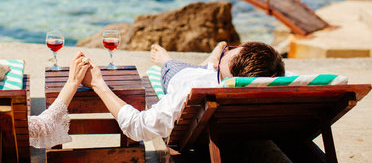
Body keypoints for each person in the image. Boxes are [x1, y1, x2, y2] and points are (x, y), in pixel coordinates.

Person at [82, 41, 285, 142]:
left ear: (225, 75)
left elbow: (138, 127)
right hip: (209, 81)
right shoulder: (281, 83)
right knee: (202, 69)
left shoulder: (191, 90)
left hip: (182, 77)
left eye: (227, 53)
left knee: (172, 68)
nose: (216, 68)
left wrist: (98, 84)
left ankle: (168, 60)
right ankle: (209, 60)